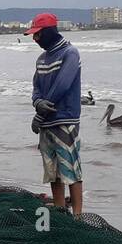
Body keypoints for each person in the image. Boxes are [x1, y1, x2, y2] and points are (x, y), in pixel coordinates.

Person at [26, 13, 84, 215]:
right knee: (53, 172)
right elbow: (36, 87)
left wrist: (40, 114)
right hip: (46, 125)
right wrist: (37, 102)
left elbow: (62, 86)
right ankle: (60, 210)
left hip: (64, 121)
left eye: (38, 35)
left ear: (49, 32)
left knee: (71, 169)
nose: (35, 39)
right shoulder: (41, 59)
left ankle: (77, 215)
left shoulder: (70, 53)